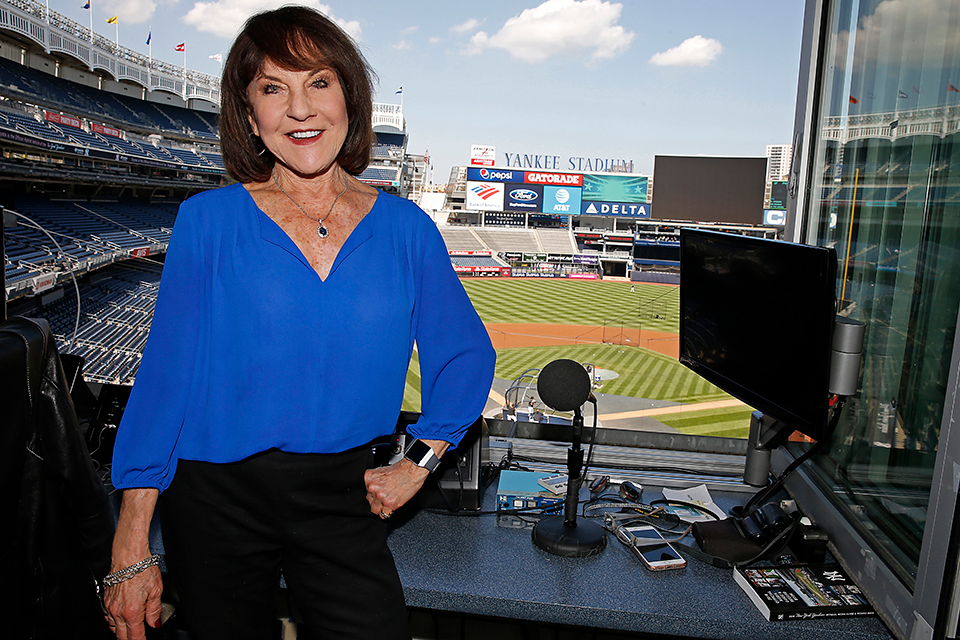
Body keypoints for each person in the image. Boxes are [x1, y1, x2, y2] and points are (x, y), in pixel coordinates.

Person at [103, 7, 495, 640]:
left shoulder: (407, 229)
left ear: (349, 96)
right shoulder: (208, 221)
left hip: (344, 491)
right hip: (212, 496)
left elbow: (466, 357)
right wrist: (131, 539)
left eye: (318, 82)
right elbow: (166, 379)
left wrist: (419, 461)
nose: (300, 109)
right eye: (272, 89)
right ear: (251, 116)